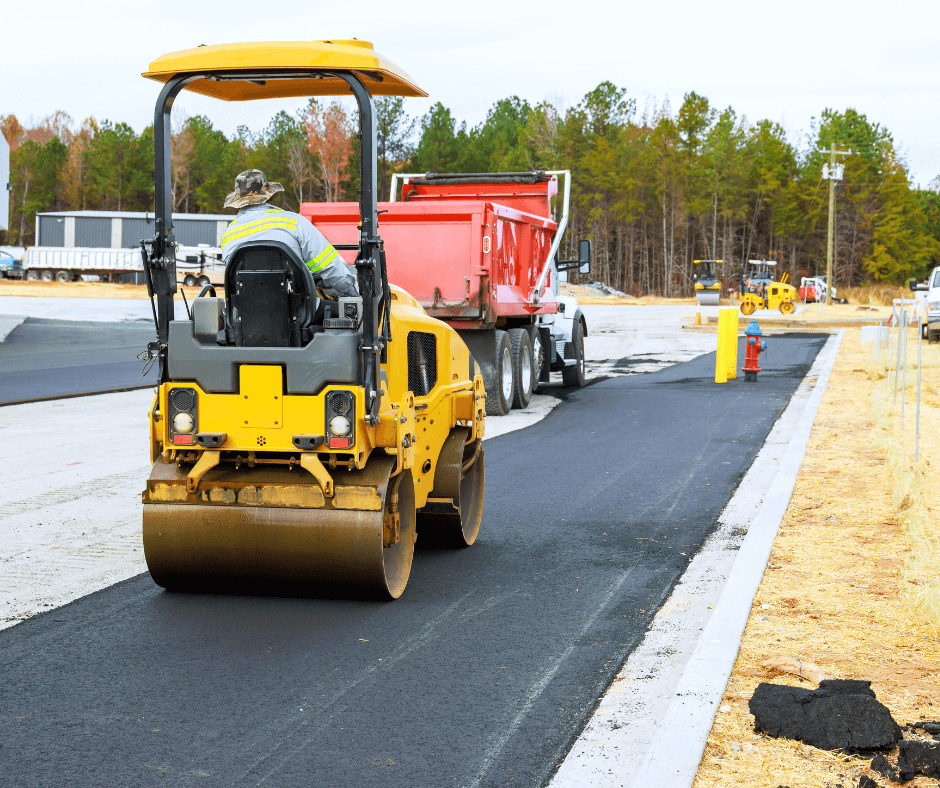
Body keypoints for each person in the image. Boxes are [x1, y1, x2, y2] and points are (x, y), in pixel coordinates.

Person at [220, 169, 358, 298]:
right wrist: (354, 293)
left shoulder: (228, 236)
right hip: (298, 312)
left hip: (245, 314)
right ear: (269, 197)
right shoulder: (294, 222)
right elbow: (331, 269)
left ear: (238, 204)